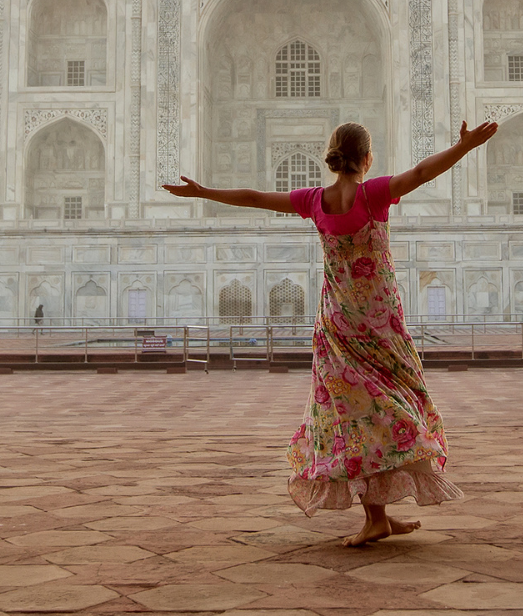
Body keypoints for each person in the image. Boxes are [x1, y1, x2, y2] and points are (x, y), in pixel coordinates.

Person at [165, 119, 498, 547]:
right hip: (379, 323)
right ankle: (377, 514)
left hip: (337, 323)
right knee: (392, 405)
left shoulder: (315, 200)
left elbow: (253, 197)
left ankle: (378, 514)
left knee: (353, 415)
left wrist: (203, 192)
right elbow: (420, 173)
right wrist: (462, 148)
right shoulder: (373, 194)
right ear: (366, 158)